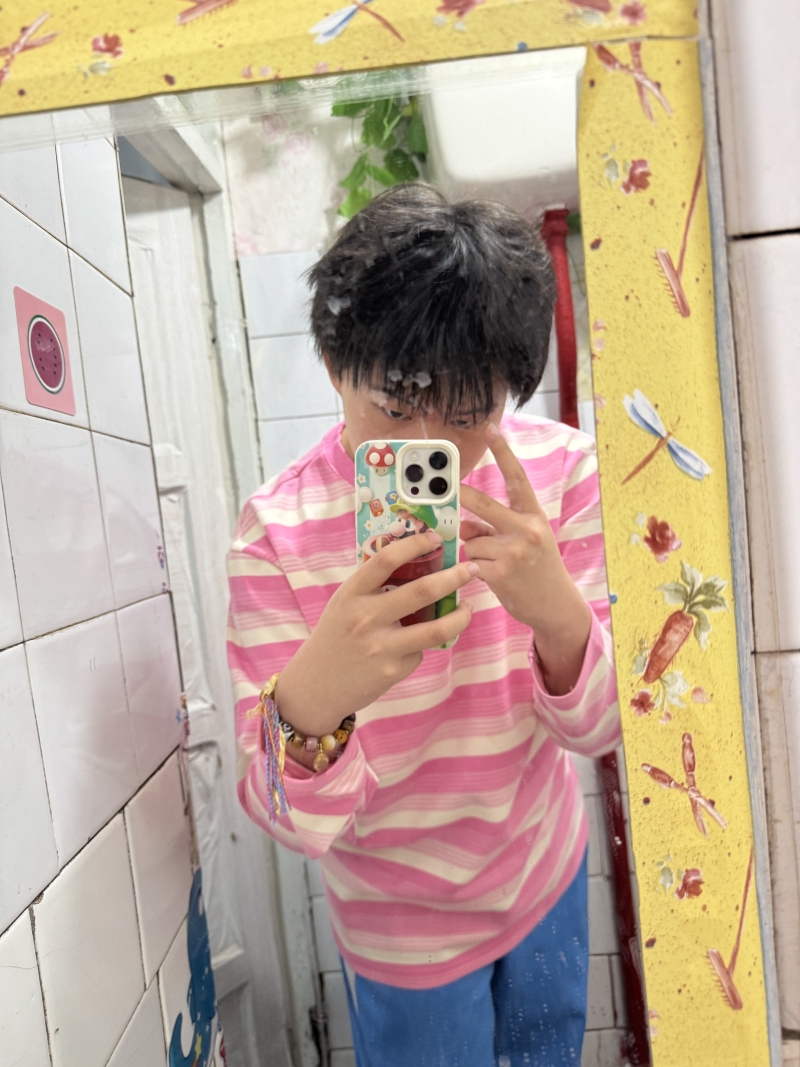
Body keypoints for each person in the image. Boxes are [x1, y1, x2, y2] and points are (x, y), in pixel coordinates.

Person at [227, 184, 620, 1067]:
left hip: (543, 867)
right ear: (333, 362)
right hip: (398, 928)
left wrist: (557, 615)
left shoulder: (559, 478)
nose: (430, 441)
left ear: (508, 391)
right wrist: (317, 698)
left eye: (469, 412)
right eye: (397, 405)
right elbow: (283, 820)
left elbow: (600, 730)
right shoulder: (276, 536)